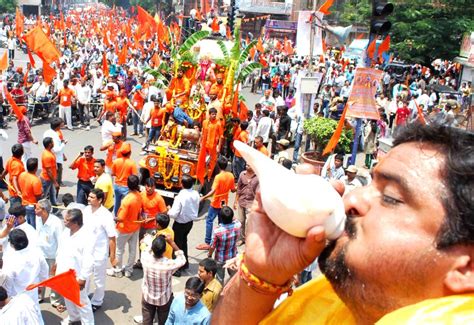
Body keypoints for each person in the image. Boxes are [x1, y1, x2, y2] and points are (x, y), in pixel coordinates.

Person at [212, 124, 474, 324]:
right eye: (369, 183)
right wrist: (261, 275)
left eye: (391, 197)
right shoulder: (331, 304)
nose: (350, 198)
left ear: (468, 268)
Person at [53, 209, 95, 324]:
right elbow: (60, 249)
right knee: (68, 298)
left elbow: (88, 260)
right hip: (63, 273)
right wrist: (56, 263)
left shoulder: (86, 237)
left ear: (76, 223)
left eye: (67, 221)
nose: (64, 222)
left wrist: (82, 278)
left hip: (76, 277)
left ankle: (88, 323)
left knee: (82, 302)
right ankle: (73, 317)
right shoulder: (66, 231)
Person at [137, 235, 186, 325]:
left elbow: (143, 246)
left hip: (147, 296)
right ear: (164, 250)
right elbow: (182, 259)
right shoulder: (169, 264)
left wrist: (147, 239)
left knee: (147, 321)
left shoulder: (145, 258)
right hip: (164, 299)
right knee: (164, 321)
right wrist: (172, 243)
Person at [82, 188, 117, 311]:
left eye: (92, 197)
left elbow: (112, 237)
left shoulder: (106, 215)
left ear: (100, 200)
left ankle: (97, 301)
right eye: (89, 196)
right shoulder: (86, 211)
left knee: (99, 279)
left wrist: (112, 257)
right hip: (86, 251)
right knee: (84, 276)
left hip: (99, 254)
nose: (88, 199)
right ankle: (84, 297)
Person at [1, 228, 48, 319]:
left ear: (11, 244)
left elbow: (8, 284)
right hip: (33, 293)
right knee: (35, 316)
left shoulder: (10, 260)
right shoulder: (37, 253)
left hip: (17, 298)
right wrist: (41, 285)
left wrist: (6, 299)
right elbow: (44, 270)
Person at [197, 157, 236, 250]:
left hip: (215, 202)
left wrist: (204, 197)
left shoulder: (218, 177)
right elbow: (233, 190)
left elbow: (213, 191)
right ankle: (221, 240)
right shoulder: (231, 175)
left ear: (218, 166)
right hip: (224, 202)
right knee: (221, 222)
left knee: (209, 221)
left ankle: (207, 241)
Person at [108, 175, 142, 278]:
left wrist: (112, 218)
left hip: (124, 228)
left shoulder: (127, 200)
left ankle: (117, 270)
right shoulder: (139, 195)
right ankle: (128, 270)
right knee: (132, 250)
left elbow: (121, 218)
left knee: (119, 250)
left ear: (128, 185)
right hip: (135, 227)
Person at [168, 175, 200, 274]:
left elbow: (173, 214)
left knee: (176, 245)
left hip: (180, 224)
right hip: (189, 223)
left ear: (181, 184)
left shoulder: (180, 197)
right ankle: (185, 263)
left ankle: (177, 268)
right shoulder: (195, 193)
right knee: (183, 242)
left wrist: (169, 210)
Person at [34, 199, 63, 305]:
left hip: (52, 256)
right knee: (39, 276)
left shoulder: (55, 223)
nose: (35, 210)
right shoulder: (38, 218)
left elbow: (61, 242)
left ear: (44, 210)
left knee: (54, 278)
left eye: (37, 208)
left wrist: (58, 261)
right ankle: (39, 296)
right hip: (40, 254)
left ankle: (55, 299)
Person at [207, 206, 241, 284]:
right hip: (233, 255)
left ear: (221, 218)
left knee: (219, 278)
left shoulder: (217, 231)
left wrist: (209, 255)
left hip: (220, 258)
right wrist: (228, 212)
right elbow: (235, 219)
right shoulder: (238, 225)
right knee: (234, 277)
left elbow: (212, 246)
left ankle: (220, 294)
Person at [233, 164, 258, 245]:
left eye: (249, 165)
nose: (247, 166)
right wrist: (235, 201)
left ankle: (248, 239)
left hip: (251, 203)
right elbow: (239, 189)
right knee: (241, 221)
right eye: (246, 164)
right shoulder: (242, 174)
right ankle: (242, 238)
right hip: (242, 202)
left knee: (249, 223)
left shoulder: (257, 178)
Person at [196, 107, 224, 181]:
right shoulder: (205, 122)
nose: (214, 116)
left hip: (213, 146)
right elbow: (202, 132)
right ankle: (200, 174)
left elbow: (221, 136)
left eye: (215, 114)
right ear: (209, 115)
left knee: (212, 162)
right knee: (202, 159)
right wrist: (199, 141)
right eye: (212, 114)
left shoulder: (218, 124)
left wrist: (219, 147)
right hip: (204, 145)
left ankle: (208, 177)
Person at [111, 143, 137, 216]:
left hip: (116, 186)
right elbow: (134, 177)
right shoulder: (132, 163)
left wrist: (119, 176)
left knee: (117, 202)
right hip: (126, 187)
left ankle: (116, 216)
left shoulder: (116, 161)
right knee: (126, 204)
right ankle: (125, 216)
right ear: (130, 153)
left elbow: (112, 174)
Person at [18, 158, 43, 227]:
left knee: (27, 224)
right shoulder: (36, 180)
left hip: (24, 203)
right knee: (33, 225)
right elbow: (38, 196)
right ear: (36, 168)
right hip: (32, 206)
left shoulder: (22, 175)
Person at [43, 118, 67, 187]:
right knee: (56, 173)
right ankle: (56, 184)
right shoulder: (55, 135)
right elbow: (57, 149)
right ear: (57, 127)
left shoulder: (47, 132)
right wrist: (63, 144)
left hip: (50, 155)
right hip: (56, 158)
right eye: (60, 125)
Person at [40, 137, 59, 207]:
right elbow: (49, 171)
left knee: (52, 193)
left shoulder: (49, 151)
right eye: (52, 142)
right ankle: (40, 210)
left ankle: (55, 207)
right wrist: (55, 182)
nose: (53, 143)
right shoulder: (47, 155)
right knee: (43, 196)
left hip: (50, 179)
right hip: (47, 179)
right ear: (50, 144)